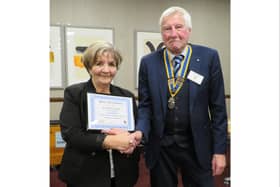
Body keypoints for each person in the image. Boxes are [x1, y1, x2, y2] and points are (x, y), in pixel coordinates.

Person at [132, 6, 228, 187]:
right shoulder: (148, 62)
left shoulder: (209, 57)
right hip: (161, 146)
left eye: (179, 27)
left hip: (197, 145)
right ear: (161, 33)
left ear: (189, 31)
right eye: (167, 29)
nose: (173, 33)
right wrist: (140, 131)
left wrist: (219, 151)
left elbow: (218, 109)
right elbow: (145, 105)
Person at [58, 41, 140, 187]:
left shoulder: (126, 96)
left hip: (122, 173)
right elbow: (71, 134)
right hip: (85, 173)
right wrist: (109, 141)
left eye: (111, 64)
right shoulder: (75, 93)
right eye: (99, 63)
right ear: (89, 67)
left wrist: (132, 142)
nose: (106, 69)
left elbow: (136, 131)